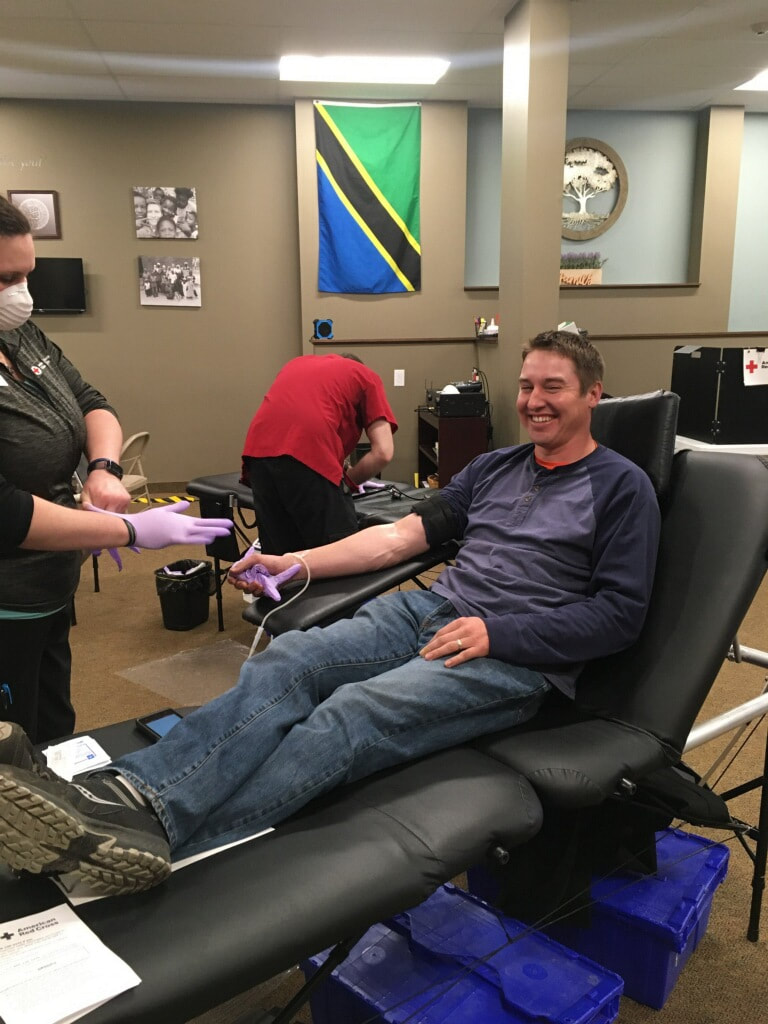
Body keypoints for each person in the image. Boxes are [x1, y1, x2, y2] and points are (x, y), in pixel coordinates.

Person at [0, 329, 662, 897]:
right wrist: (297, 562)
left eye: (553, 387)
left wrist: (500, 632)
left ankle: (161, 843)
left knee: (351, 714)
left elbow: (618, 616)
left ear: (592, 395)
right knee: (290, 660)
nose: (534, 400)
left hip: (514, 657)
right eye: (526, 385)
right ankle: (126, 796)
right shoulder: (494, 468)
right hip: (434, 609)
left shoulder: (622, 489)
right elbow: (397, 539)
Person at [0, 196, 231, 745]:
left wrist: (103, 468)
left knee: (54, 731)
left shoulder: (20, 335)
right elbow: (6, 513)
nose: (21, 293)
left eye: (26, 275)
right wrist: (126, 529)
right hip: (7, 601)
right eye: (6, 278)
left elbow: (90, 400)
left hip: (51, 586)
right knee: (13, 753)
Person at [241, 352, 398, 553]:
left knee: (280, 557)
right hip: (308, 456)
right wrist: (348, 482)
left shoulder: (297, 364)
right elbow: (383, 452)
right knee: (340, 554)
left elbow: (301, 420)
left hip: (258, 453)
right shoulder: (365, 375)